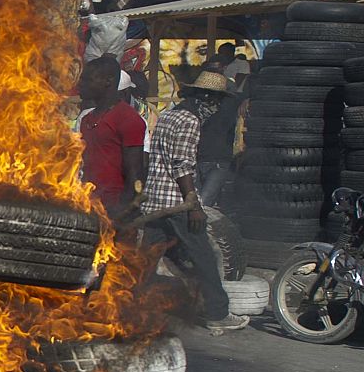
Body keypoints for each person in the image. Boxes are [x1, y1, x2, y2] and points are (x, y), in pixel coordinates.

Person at [140, 70, 248, 332]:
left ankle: (132, 305)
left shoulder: (168, 115)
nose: (218, 107)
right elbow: (182, 166)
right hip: (178, 203)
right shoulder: (189, 121)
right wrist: (194, 205)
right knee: (204, 258)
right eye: (217, 101)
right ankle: (217, 313)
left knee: (145, 260)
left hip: (155, 200)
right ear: (206, 98)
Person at [76, 56, 146, 220]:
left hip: (115, 208)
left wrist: (125, 209)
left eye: (88, 79)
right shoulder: (87, 119)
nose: (81, 84)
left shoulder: (128, 118)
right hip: (88, 204)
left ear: (108, 81)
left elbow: (135, 171)